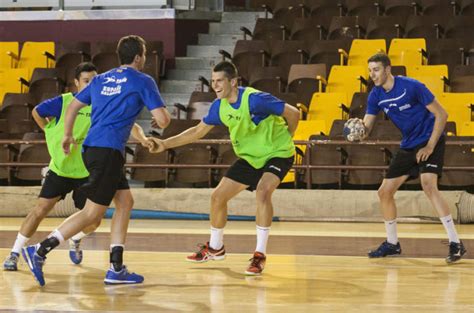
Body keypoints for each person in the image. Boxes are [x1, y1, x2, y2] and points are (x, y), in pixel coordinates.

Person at [22, 35, 170, 286]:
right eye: (144, 55)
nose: (144, 58)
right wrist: (159, 118)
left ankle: (116, 267)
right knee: (92, 213)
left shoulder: (102, 79)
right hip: (108, 150)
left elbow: (72, 107)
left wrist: (67, 135)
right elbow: (164, 120)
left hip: (93, 148)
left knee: (125, 201)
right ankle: (39, 250)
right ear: (138, 57)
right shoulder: (142, 80)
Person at [150, 61, 300, 275]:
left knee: (263, 191)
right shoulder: (219, 106)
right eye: (212, 81)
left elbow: (293, 113)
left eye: (219, 81)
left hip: (278, 154)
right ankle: (216, 247)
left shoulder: (255, 100)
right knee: (217, 197)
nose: (215, 86)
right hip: (250, 158)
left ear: (233, 81)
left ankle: (259, 255)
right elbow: (196, 132)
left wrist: (287, 137)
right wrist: (164, 144)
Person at [361, 53, 466, 263]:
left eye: (376, 69)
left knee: (428, 186)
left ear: (388, 69)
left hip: (430, 139)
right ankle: (392, 244)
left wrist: (429, 146)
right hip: (408, 145)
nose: (372, 74)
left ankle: (456, 243)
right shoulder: (375, 95)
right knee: (384, 192)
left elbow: (442, 115)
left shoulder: (412, 86)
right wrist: (357, 133)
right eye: (370, 70)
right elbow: (367, 127)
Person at [3, 62, 101, 271]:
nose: (91, 84)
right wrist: (49, 130)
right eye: (86, 81)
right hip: (60, 170)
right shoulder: (64, 102)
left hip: (87, 173)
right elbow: (37, 111)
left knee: (94, 221)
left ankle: (76, 238)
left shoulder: (102, 106)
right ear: (76, 83)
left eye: (95, 80)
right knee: (40, 210)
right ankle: (14, 253)